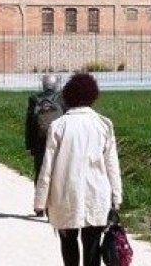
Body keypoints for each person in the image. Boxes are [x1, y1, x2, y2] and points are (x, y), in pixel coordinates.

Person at [33, 73, 122, 266]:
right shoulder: (103, 124)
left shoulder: (58, 126)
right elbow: (111, 165)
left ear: (67, 96)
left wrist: (40, 201)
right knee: (92, 247)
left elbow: (47, 167)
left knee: (68, 244)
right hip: (96, 195)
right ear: (93, 95)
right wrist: (116, 197)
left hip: (65, 195)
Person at [25, 74, 63, 182]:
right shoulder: (61, 99)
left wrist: (29, 146)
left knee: (40, 171)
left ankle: (39, 195)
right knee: (57, 171)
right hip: (58, 141)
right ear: (56, 84)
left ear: (43, 85)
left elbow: (29, 125)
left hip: (39, 142)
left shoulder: (34, 99)